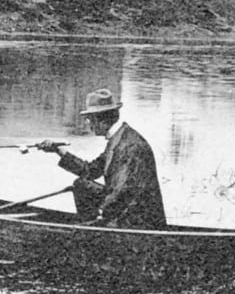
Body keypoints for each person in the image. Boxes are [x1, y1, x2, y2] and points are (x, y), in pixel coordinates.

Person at [37, 89, 167, 229]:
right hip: (125, 210)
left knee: (87, 192)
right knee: (81, 185)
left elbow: (122, 191)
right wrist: (59, 151)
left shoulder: (130, 145)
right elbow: (90, 171)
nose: (87, 123)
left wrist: (100, 214)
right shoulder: (118, 139)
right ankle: (90, 232)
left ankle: (91, 232)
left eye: (90, 118)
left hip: (139, 221)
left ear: (102, 120)